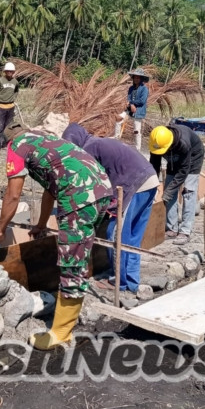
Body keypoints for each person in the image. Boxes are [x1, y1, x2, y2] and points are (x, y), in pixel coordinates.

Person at [0, 123, 112, 350]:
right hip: (102, 189)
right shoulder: (44, 141)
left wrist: (1, 229)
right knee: (79, 256)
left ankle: (60, 333)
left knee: (71, 262)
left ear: (6, 142)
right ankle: (68, 320)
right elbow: (51, 190)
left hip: (79, 197)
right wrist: (41, 224)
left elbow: (13, 195)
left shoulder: (17, 147)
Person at [62, 122, 158, 293]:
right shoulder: (98, 142)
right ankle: (131, 282)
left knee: (115, 233)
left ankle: (119, 282)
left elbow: (90, 184)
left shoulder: (89, 150)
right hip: (150, 180)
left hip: (135, 185)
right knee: (132, 237)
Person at [148, 124, 204, 246]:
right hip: (174, 160)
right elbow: (154, 166)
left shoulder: (183, 143)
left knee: (188, 192)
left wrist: (168, 191)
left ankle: (185, 230)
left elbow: (184, 170)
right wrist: (152, 185)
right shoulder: (157, 143)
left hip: (193, 158)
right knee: (169, 189)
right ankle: (172, 228)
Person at [114, 67, 150, 151]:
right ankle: (116, 139)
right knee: (119, 119)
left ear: (141, 79)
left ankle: (138, 149)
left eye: (138, 77)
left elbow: (142, 101)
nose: (136, 79)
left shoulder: (144, 89)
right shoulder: (131, 88)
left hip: (139, 111)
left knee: (136, 131)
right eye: (135, 77)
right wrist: (131, 104)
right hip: (130, 110)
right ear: (133, 78)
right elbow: (128, 99)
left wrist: (132, 104)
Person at [0, 62, 20, 150]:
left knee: (9, 127)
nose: (9, 73)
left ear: (13, 72)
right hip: (1, 106)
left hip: (10, 107)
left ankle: (7, 144)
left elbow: (17, 91)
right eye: (8, 71)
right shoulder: (0, 81)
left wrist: (13, 98)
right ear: (5, 71)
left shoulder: (15, 82)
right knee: (0, 127)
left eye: (11, 71)